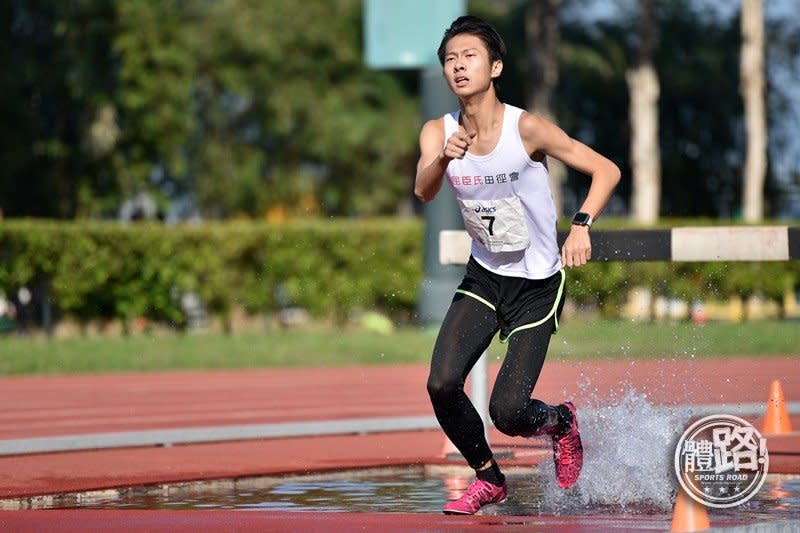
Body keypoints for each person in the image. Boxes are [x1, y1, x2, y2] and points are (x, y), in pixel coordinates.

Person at [415, 16, 621, 515]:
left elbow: (605, 169)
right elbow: (423, 189)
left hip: (536, 285)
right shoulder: (437, 132)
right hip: (484, 278)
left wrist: (581, 224)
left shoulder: (524, 128)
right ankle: (489, 478)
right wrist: (443, 158)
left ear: (495, 66)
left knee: (507, 412)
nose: (459, 65)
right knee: (441, 384)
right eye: (450, 59)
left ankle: (562, 424)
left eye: (469, 56)